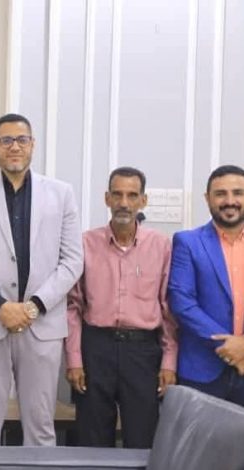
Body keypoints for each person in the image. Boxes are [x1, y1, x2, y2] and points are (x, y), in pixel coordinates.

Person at [0, 113, 83, 447]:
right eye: (6, 140)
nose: (14, 147)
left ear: (32, 144)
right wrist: (0, 304)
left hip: (42, 326)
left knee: (41, 428)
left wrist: (33, 307)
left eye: (22, 140)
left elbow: (72, 261)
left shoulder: (61, 194)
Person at [65, 167, 177, 448]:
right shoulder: (85, 243)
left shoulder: (161, 246)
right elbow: (73, 306)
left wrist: (169, 361)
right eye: (117, 195)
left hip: (143, 352)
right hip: (96, 348)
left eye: (132, 195)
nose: (124, 203)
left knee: (143, 438)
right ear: (107, 198)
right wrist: (74, 359)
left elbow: (168, 309)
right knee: (92, 438)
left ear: (143, 200)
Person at [168, 165, 244, 406]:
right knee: (200, 433)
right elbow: (182, 302)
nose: (230, 201)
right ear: (207, 198)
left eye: (238, 193)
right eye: (220, 194)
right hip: (202, 369)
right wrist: (229, 346)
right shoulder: (188, 242)